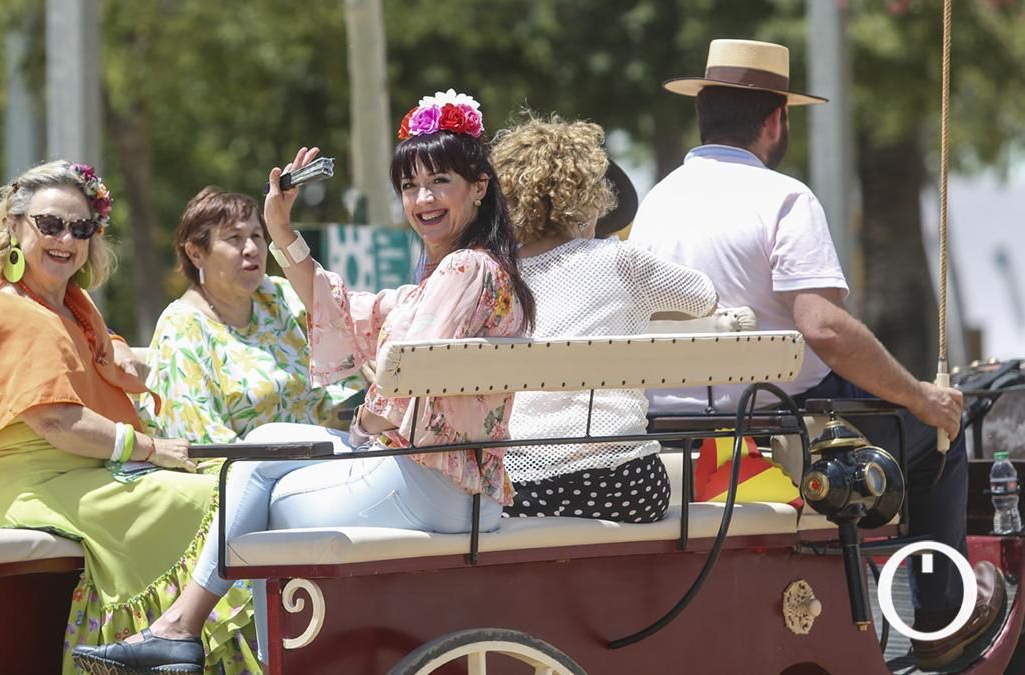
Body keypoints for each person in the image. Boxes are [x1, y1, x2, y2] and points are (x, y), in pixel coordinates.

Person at [73, 88, 536, 674]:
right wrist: (281, 231)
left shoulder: (465, 269)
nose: (422, 199)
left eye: (440, 181)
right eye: (410, 186)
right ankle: (182, 631)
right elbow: (352, 312)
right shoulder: (478, 270)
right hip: (459, 488)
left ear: (479, 187)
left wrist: (371, 417)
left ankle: (192, 633)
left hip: (431, 482)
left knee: (257, 488)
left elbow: (411, 364)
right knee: (267, 447)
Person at [629, 39, 1004, 669]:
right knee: (940, 427)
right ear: (775, 120)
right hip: (771, 429)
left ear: (704, 112)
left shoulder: (656, 202)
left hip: (666, 427)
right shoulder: (784, 199)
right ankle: (940, 621)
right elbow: (824, 329)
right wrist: (921, 395)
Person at [0, 161, 260, 674]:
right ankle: (171, 639)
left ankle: (194, 642)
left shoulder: (71, 303)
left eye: (82, 227)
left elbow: (77, 356)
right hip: (39, 481)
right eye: (51, 224)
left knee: (237, 481)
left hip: (92, 470)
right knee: (211, 495)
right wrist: (152, 449)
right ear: (15, 226)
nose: (66, 238)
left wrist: (113, 347)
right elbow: (58, 423)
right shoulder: (3, 311)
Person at [491, 114, 717, 522]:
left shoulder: (496, 276)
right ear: (588, 198)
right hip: (626, 484)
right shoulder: (620, 260)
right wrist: (637, 303)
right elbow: (705, 298)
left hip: (520, 488)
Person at [143, 187, 360, 456]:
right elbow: (201, 444)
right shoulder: (181, 328)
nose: (251, 249)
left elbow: (348, 353)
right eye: (234, 238)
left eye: (257, 236)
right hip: (248, 478)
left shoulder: (279, 296)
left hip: (328, 455)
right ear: (196, 252)